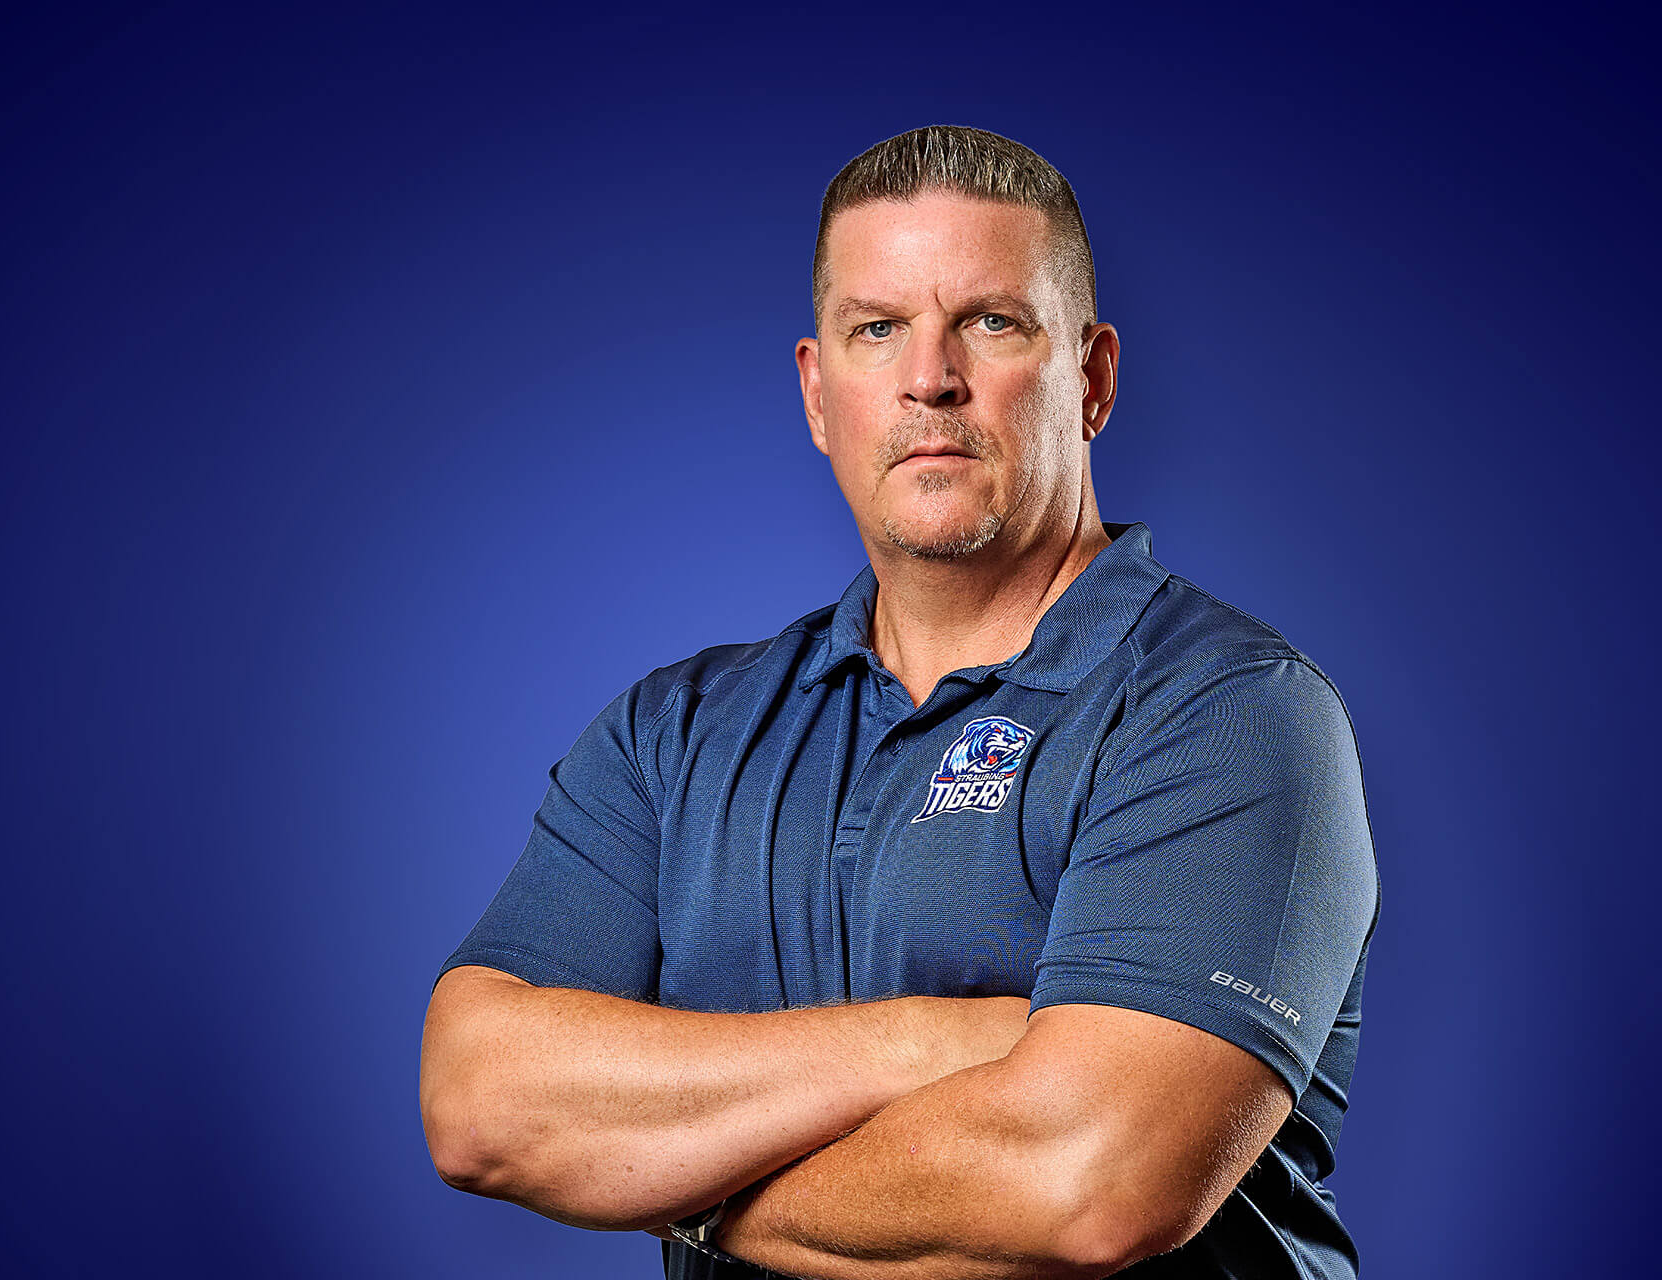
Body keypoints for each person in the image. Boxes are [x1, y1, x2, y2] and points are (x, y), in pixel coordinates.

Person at [419, 125, 1380, 1280]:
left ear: (1093, 378)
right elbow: (478, 1099)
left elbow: (1088, 1182)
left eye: (991, 321)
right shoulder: (673, 735)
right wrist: (938, 1040)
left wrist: (674, 1183)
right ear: (818, 393)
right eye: (877, 329)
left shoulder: (1227, 712)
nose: (930, 376)